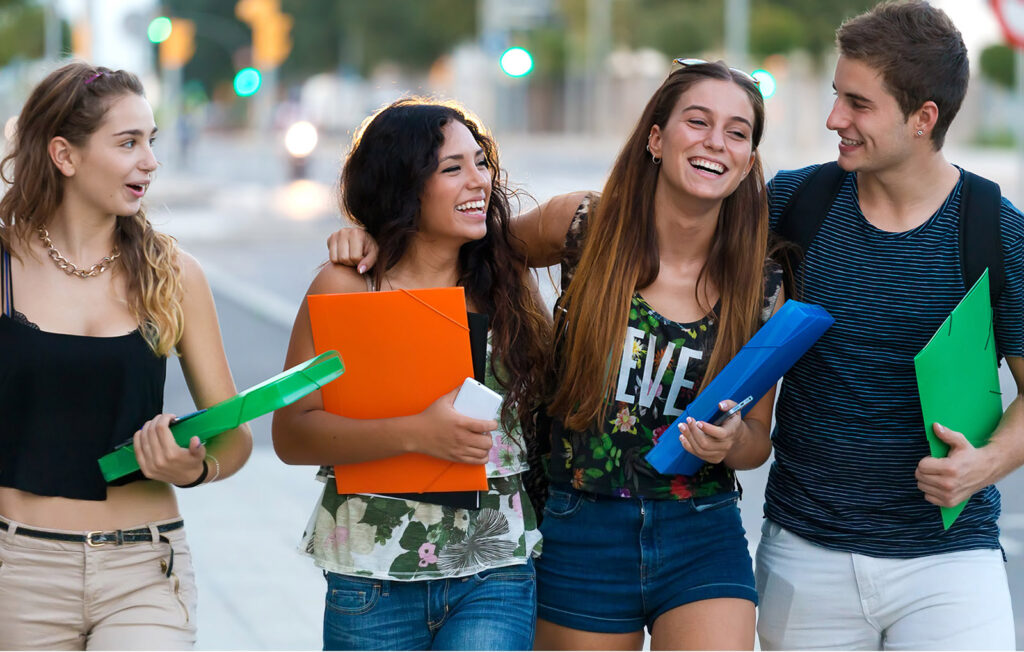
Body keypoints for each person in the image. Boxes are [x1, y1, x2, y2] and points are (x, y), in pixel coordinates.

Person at [327, 60, 784, 650]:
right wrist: (373, 236)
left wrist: (729, 443)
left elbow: (755, 440)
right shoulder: (584, 227)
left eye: (737, 132)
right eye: (697, 121)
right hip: (580, 525)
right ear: (655, 138)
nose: (715, 142)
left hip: (701, 526)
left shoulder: (762, 283)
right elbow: (467, 249)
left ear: (748, 158)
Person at [753, 2, 1024, 649]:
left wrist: (985, 464)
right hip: (803, 554)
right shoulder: (795, 205)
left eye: (857, 103)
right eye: (835, 96)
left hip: (950, 564)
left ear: (923, 118)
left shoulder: (995, 230)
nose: (833, 120)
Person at [271, 97, 552, 651]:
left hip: (493, 570)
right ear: (403, 186)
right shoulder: (348, 286)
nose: (479, 181)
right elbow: (292, 433)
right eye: (453, 168)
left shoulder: (504, 284)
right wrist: (416, 432)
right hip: (374, 577)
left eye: (481, 162)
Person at [0, 62, 252, 650]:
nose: (151, 162)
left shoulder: (175, 274)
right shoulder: (3, 268)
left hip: (144, 569)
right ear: (65, 154)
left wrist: (195, 467)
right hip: (18, 573)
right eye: (128, 143)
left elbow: (235, 437)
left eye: (152, 142)